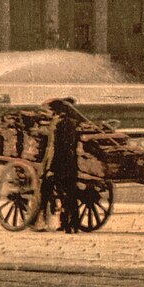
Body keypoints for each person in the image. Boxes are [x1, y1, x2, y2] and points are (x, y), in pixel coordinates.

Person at [40, 99, 82, 234]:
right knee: (71, 193)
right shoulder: (72, 123)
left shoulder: (56, 124)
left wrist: (50, 168)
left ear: (54, 111)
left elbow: (54, 147)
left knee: (46, 188)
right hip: (70, 162)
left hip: (58, 163)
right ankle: (73, 223)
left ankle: (46, 220)